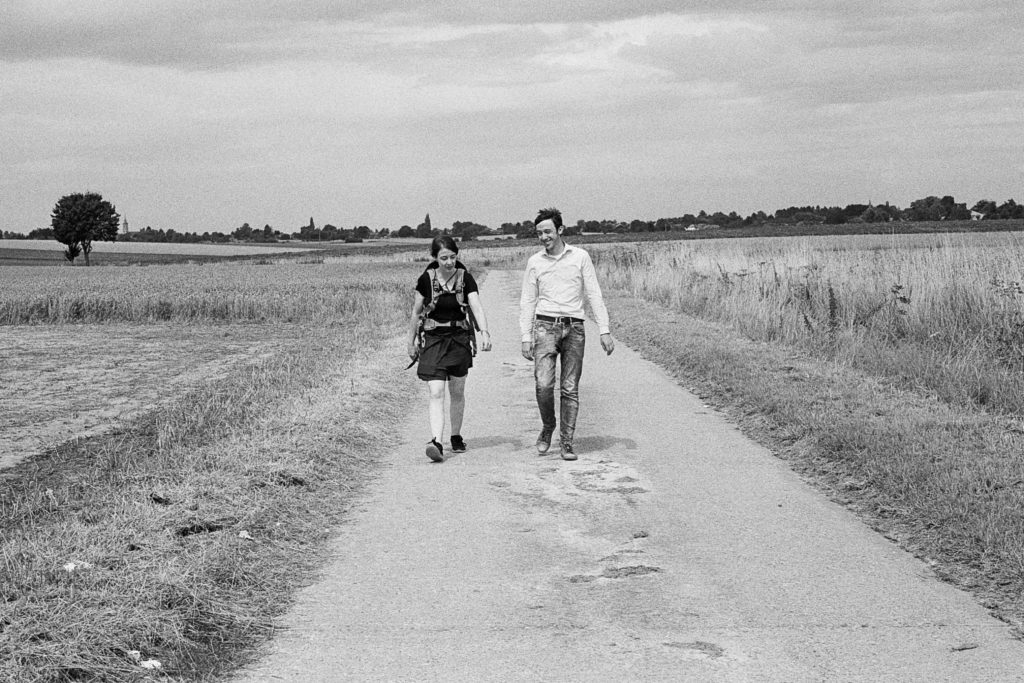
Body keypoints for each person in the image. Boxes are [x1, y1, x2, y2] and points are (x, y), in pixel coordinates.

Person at [519, 207, 614, 461]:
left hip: (574, 328)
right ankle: (548, 426)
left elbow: (594, 293)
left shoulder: (580, 257)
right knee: (543, 385)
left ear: (560, 230)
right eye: (539, 233)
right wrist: (525, 336)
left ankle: (567, 441)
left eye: (548, 231)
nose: (544, 237)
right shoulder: (535, 262)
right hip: (544, 327)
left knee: (570, 387)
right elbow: (528, 301)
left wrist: (604, 329)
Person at [408, 235, 491, 462]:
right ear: (434, 258)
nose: (449, 262)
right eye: (443, 258)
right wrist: (411, 341)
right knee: (435, 392)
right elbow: (416, 313)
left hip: (458, 339)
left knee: (456, 392)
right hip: (433, 339)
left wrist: (484, 332)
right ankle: (436, 441)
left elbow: (476, 306)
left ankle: (455, 436)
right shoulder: (426, 280)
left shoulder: (466, 279)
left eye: (453, 257)